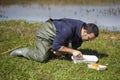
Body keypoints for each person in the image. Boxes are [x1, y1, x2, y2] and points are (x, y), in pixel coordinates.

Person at [10, 18, 99, 63]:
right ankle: (24, 51)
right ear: (84, 31)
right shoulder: (68, 29)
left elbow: (66, 48)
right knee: (42, 58)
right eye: (89, 38)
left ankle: (52, 50)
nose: (89, 41)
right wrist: (71, 51)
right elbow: (57, 46)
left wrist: (63, 52)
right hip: (47, 34)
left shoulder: (81, 36)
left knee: (63, 52)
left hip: (59, 36)